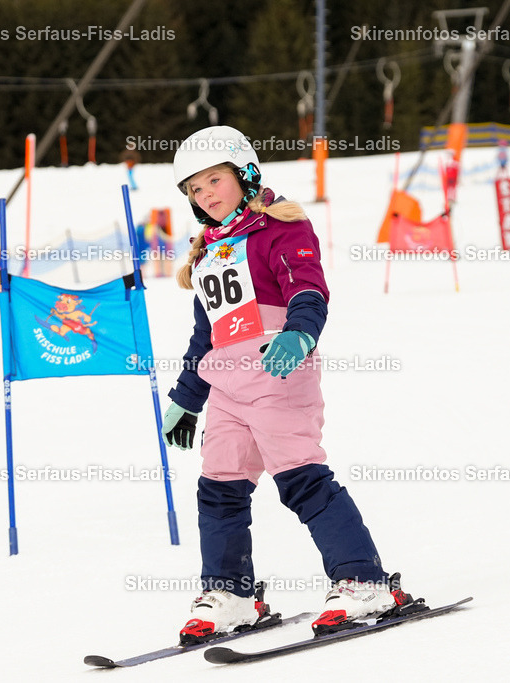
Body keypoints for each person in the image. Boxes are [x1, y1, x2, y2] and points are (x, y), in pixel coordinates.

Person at [161, 126, 412, 646]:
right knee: (219, 488)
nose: (207, 194)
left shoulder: (282, 229)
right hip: (228, 390)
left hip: (278, 372)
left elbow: (309, 289)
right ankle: (230, 595)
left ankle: (363, 581)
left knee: (301, 479)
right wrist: (187, 400)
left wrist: (299, 333)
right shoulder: (208, 253)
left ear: (246, 175)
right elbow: (203, 335)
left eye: (214, 180)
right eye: (196, 189)